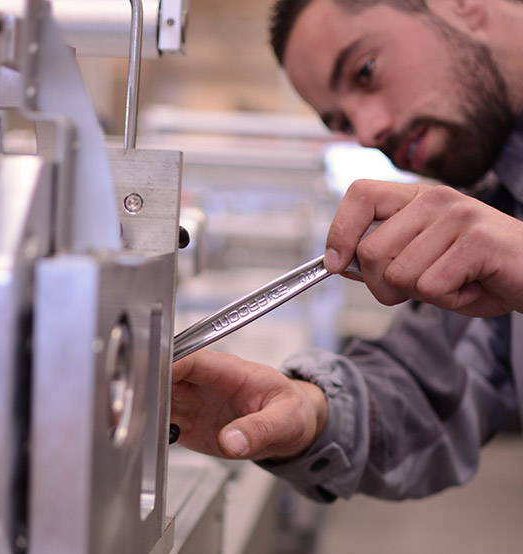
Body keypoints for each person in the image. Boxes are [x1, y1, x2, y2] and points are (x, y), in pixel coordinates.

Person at [171, 0, 523, 502]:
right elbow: (429, 385)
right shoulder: (496, 198)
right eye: (341, 122)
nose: (367, 132)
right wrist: (311, 410)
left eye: (365, 70)